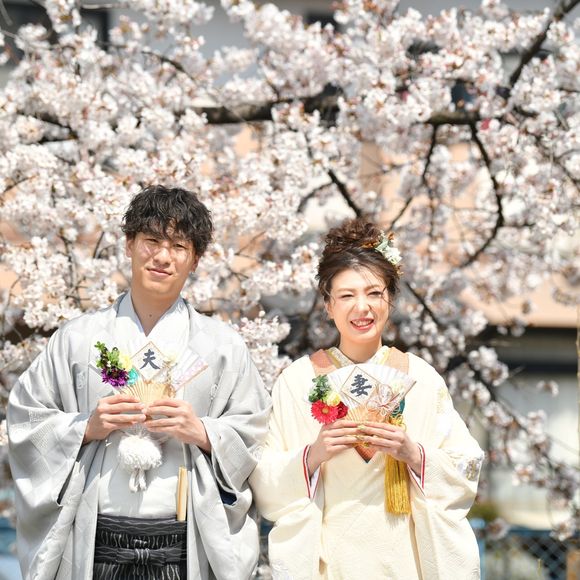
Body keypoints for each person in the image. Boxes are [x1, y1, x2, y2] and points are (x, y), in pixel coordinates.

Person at [7, 185, 271, 580]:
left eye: (179, 246)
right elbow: (25, 420)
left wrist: (203, 433)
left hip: (184, 546)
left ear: (195, 260)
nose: (163, 256)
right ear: (129, 245)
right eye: (151, 241)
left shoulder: (222, 346)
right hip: (95, 542)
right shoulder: (77, 339)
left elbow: (256, 433)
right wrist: (85, 427)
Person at [250, 218, 484, 580]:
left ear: (390, 299)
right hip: (330, 563)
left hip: (406, 562)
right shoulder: (297, 381)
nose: (363, 307)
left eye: (374, 293)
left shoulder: (420, 378)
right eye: (346, 296)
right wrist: (312, 456)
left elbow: (466, 466)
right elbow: (265, 479)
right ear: (328, 305)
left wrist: (414, 454)